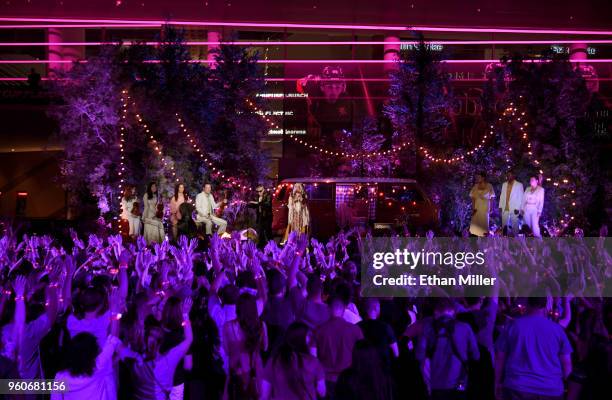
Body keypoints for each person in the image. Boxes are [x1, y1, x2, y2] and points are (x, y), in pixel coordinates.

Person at [495, 294, 572, 400]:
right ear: (546, 306)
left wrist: (496, 383)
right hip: (551, 390)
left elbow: (499, 358)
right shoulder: (557, 330)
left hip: (517, 388)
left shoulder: (513, 326)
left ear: (527, 303)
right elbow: (567, 364)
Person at [52, 289, 123, 400]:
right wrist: (115, 311)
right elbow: (113, 339)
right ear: (100, 305)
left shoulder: (71, 322)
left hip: (78, 367)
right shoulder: (105, 320)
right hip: (104, 373)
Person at [415, 298, 480, 400]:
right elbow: (476, 356)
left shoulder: (427, 329)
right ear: (453, 311)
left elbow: (419, 356)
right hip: (460, 383)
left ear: (436, 312)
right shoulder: (465, 327)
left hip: (436, 384)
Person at [131, 298, 193, 400]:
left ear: (165, 310)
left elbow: (145, 307)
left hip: (152, 380)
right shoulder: (182, 337)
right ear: (180, 314)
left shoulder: (154, 330)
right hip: (176, 384)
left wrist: (161, 294)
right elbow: (188, 366)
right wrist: (186, 315)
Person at [313, 295, 363, 396]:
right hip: (349, 379)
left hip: (326, 379)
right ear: (344, 310)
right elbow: (362, 354)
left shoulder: (318, 330)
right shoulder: (355, 330)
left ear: (328, 309)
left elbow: (313, 357)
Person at [261, 322, 326, 400]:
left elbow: (264, 395)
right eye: (308, 336)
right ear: (302, 339)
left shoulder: (273, 361)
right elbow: (322, 392)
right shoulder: (313, 363)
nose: (310, 339)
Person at [222, 294, 268, 400]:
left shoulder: (228, 326)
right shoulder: (261, 326)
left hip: (236, 370)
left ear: (238, 308)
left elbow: (227, 350)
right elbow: (265, 347)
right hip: (256, 372)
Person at [498, 171, 524, 235]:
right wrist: (500, 206)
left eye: (509, 175)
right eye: (507, 175)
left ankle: (516, 241)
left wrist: (518, 208)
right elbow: (502, 196)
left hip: (515, 208)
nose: (508, 176)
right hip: (504, 207)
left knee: (515, 225)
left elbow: (521, 198)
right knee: (504, 226)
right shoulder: (504, 184)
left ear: (513, 176)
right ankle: (504, 241)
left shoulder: (519, 185)